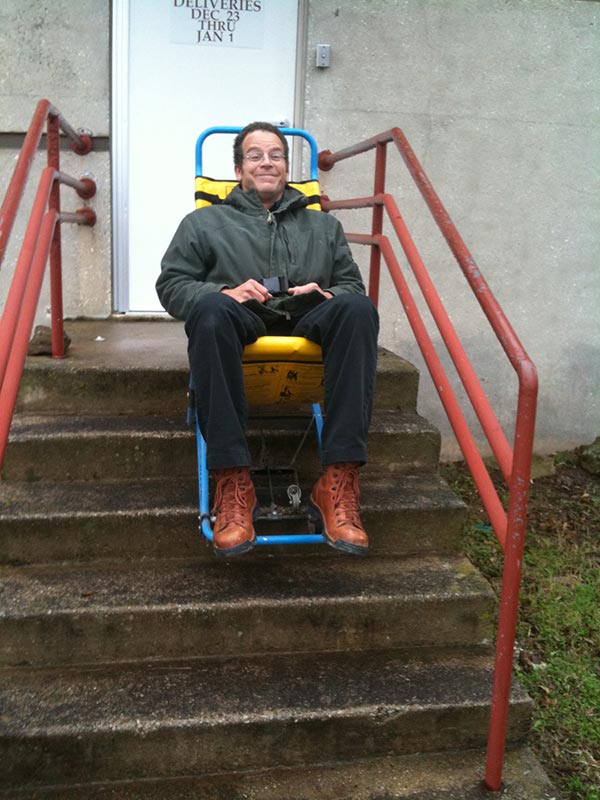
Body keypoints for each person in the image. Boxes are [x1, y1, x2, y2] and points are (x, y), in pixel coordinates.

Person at [157, 122, 379, 558]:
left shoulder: (324, 227)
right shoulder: (203, 223)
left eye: (276, 155)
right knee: (209, 310)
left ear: (287, 168)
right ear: (238, 169)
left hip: (307, 317)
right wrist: (225, 292)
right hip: (241, 319)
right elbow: (172, 285)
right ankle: (232, 482)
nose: (266, 162)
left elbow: (352, 285)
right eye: (255, 155)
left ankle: (338, 481)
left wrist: (325, 293)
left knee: (357, 309)